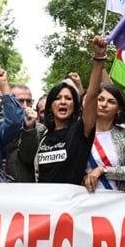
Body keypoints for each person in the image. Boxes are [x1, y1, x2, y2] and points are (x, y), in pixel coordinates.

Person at [36, 36, 106, 184]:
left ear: (75, 106)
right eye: (58, 98)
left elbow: (92, 96)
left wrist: (99, 59)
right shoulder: (42, 136)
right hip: (43, 203)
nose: (63, 102)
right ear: (50, 106)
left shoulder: (80, 131)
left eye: (68, 99)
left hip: (70, 204)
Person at [83, 83, 125, 193]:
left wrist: (103, 170)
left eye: (111, 102)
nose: (104, 104)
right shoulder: (81, 132)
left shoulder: (124, 135)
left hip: (116, 203)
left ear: (119, 109)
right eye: (100, 99)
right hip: (86, 201)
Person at [5, 84, 47, 182]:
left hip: (26, 188)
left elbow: (28, 157)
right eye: (20, 101)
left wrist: (29, 129)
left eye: (28, 101)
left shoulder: (40, 130)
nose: (25, 106)